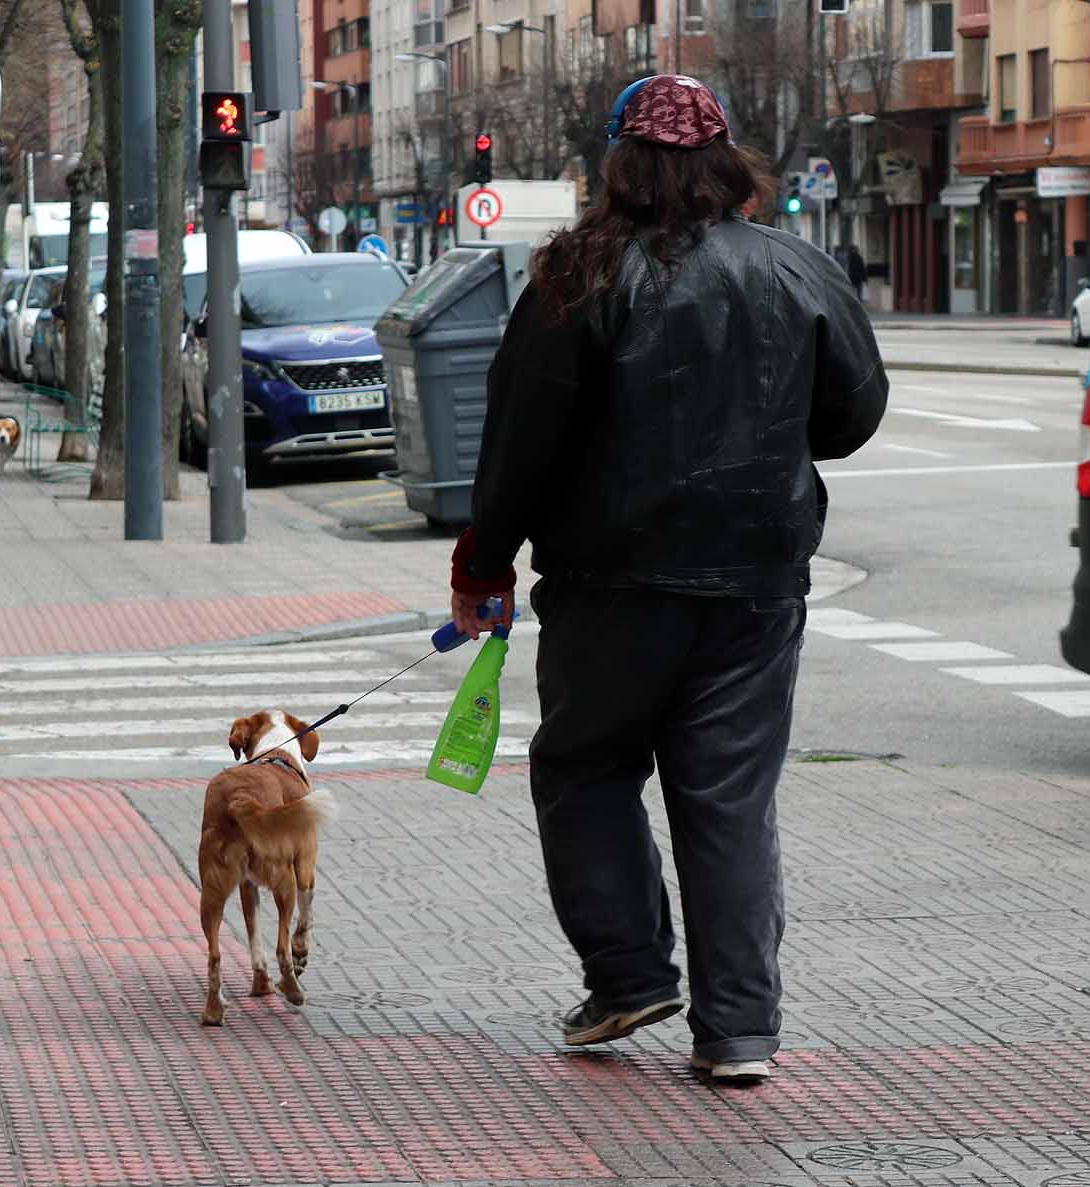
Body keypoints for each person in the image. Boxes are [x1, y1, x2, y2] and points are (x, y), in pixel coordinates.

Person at [447, 74, 888, 1086]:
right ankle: (737, 1030)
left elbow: (520, 441)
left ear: (619, 164)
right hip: (754, 582)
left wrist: (483, 564)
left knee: (584, 766)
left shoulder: (576, 275)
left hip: (612, 581)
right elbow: (853, 412)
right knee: (729, 796)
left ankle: (630, 972)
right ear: (728, 160)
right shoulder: (796, 268)